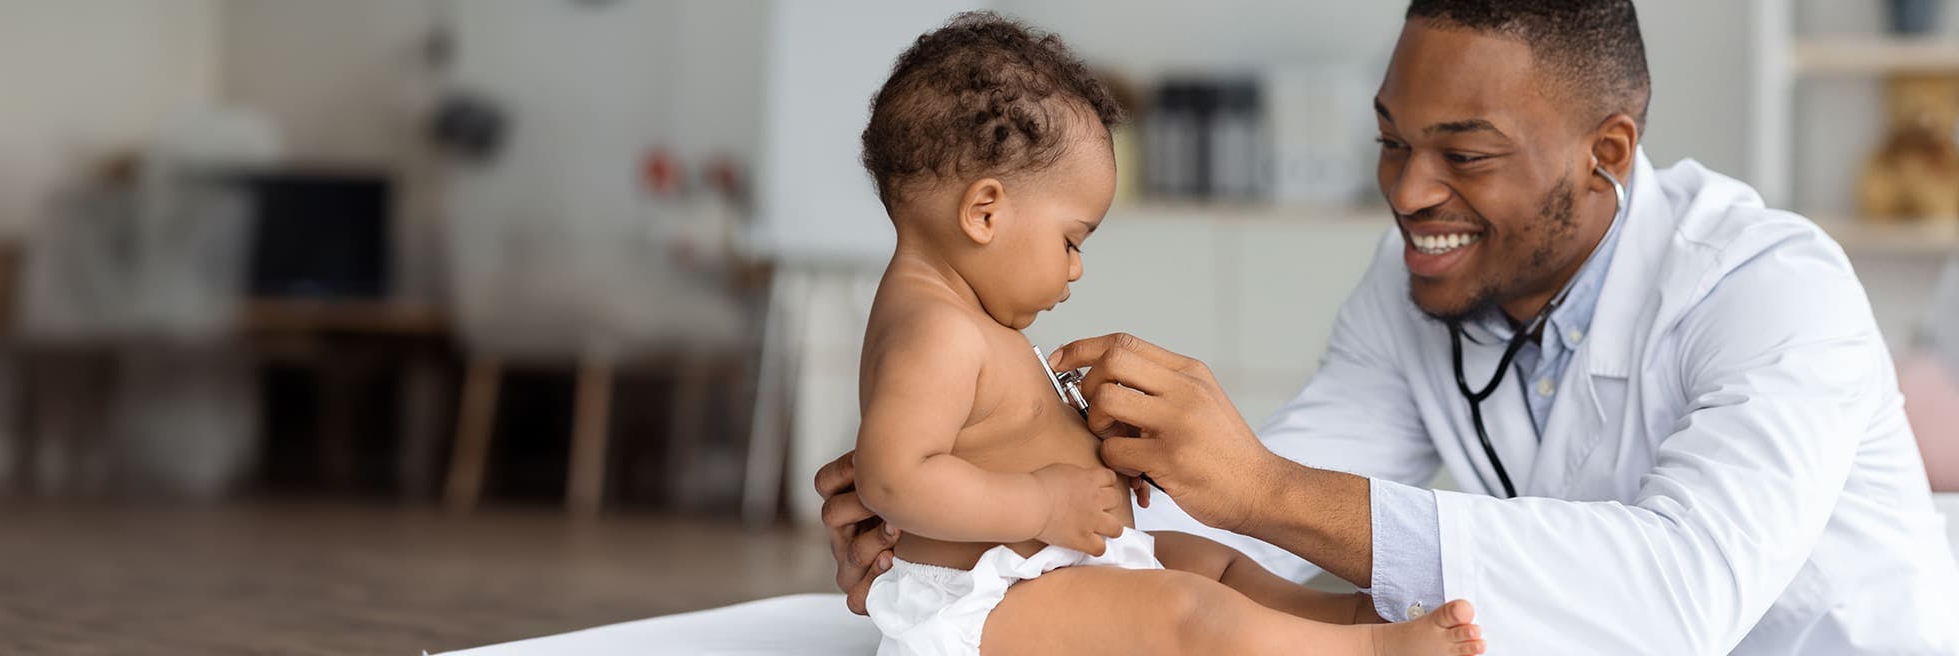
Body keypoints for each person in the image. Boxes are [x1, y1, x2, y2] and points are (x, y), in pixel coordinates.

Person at [816, 1, 1959, 653]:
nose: (1408, 192)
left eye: (1462, 153)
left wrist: (1255, 486)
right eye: (1390, 140)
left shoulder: (1772, 288)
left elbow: (1682, 594)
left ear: (1605, 155)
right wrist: (976, 531)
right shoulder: (1420, 280)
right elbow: (1259, 530)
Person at [845, 12, 1485, 656]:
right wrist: (1039, 502)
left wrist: (1091, 442)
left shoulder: (963, 318)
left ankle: (1338, 620)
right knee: (1189, 609)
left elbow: (992, 438)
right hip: (986, 603)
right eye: (1071, 240)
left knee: (1206, 563)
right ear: (984, 212)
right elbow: (895, 480)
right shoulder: (937, 329)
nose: (1076, 268)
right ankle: (1367, 651)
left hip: (1045, 575)